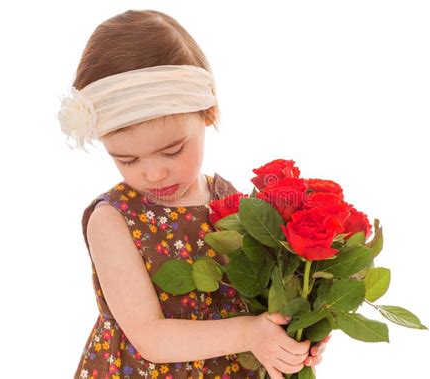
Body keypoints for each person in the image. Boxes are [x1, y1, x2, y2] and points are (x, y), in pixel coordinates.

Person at [57, 9, 331, 379]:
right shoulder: (113, 219)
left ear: (208, 112)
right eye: (127, 159)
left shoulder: (228, 200)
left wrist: (291, 334)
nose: (153, 173)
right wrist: (249, 333)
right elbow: (150, 336)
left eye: (172, 151)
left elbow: (259, 296)